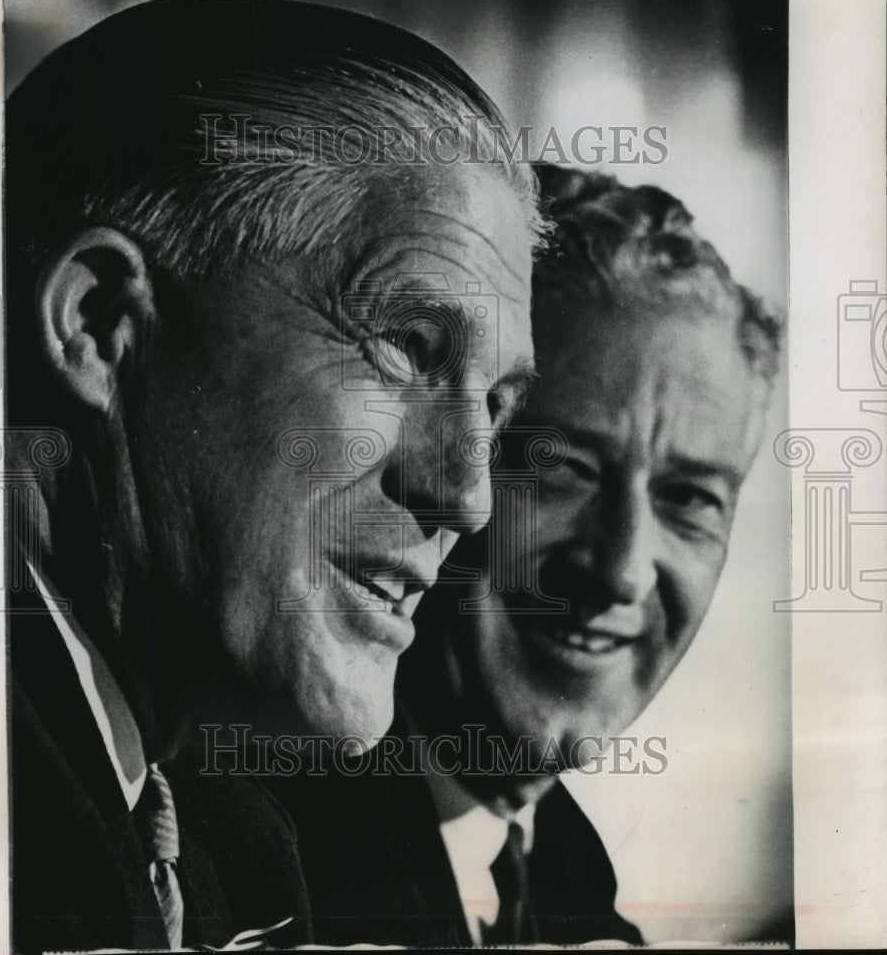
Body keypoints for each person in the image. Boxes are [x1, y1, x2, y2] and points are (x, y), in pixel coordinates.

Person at [5, 0, 540, 953]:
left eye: (496, 406)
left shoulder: (237, 844)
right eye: (405, 348)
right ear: (96, 326)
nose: (468, 496)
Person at [283, 164, 783, 946]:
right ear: (439, 461)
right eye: (561, 470)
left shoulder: (570, 883)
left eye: (688, 499)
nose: (619, 569)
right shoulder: (255, 867)